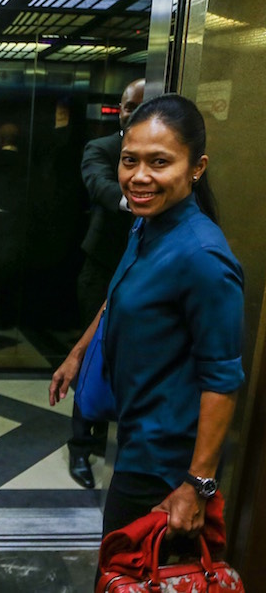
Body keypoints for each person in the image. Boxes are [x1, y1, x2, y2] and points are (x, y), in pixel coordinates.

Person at [50, 94, 244, 543]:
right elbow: (117, 294)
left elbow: (223, 379)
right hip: (136, 435)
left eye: (159, 162)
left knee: (126, 571)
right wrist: (78, 353)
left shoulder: (203, 257)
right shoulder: (149, 222)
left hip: (164, 465)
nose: (138, 177)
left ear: (197, 167)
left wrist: (197, 486)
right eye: (129, 161)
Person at [67, 78, 144, 489]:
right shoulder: (101, 148)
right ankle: (80, 445)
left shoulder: (162, 154)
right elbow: (98, 185)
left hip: (145, 271)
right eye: (129, 105)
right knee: (91, 357)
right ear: (119, 108)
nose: (135, 111)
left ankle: (122, 440)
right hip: (103, 267)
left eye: (144, 104)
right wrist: (140, 200)